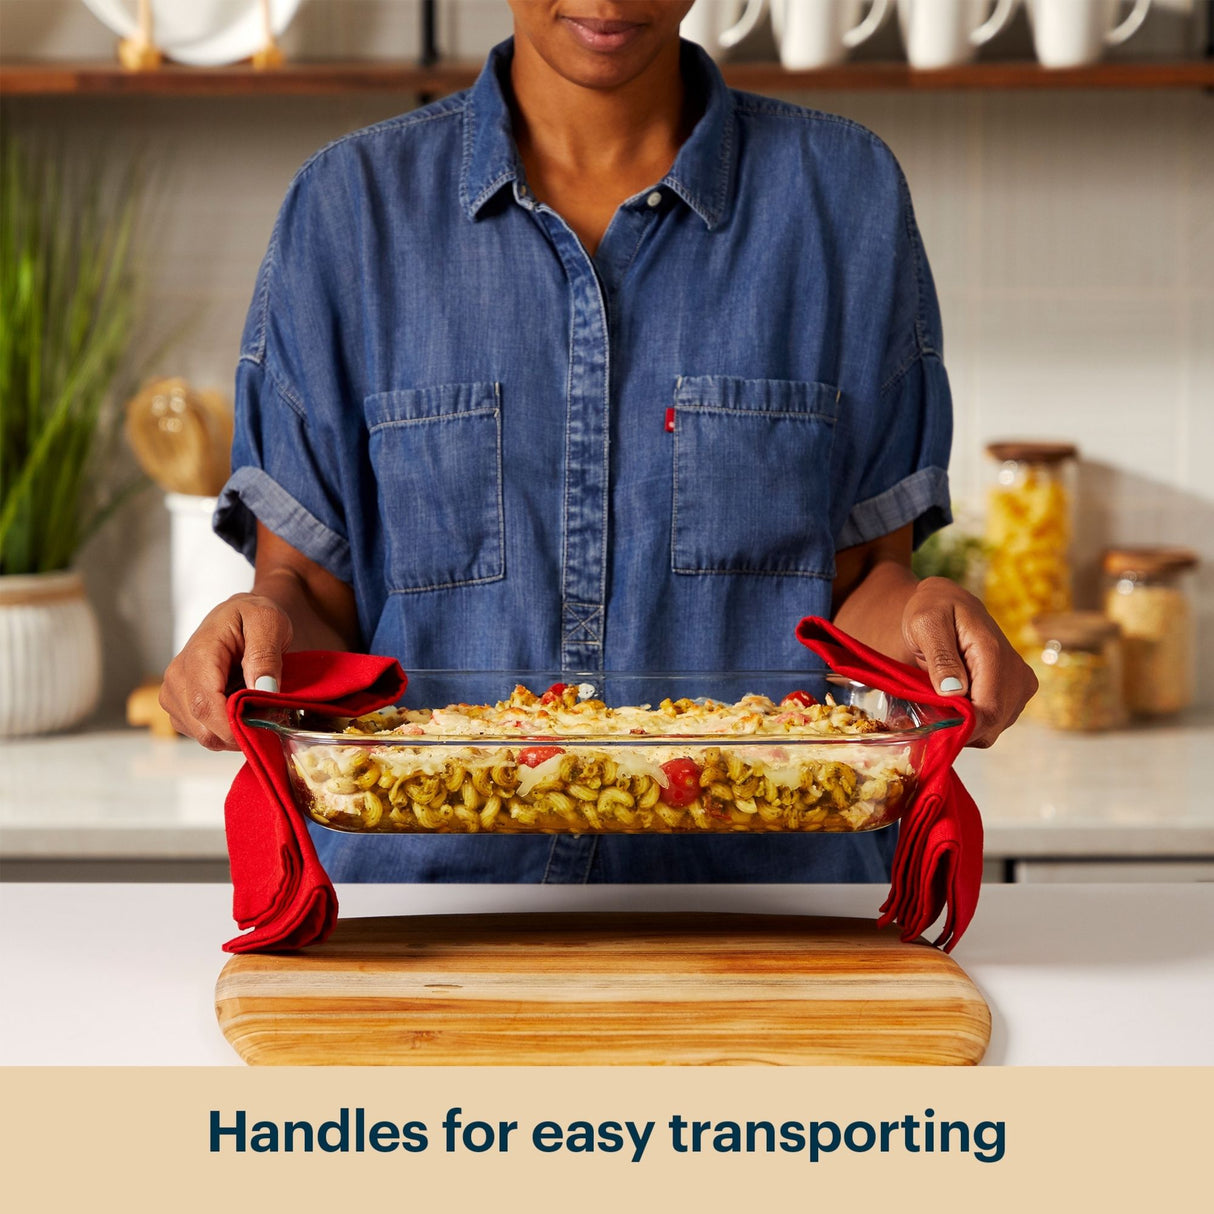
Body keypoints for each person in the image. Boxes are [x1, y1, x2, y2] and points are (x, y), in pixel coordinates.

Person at [161, 1, 1036, 884]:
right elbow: (309, 598)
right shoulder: (349, 208)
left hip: (767, 905)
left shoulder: (843, 195)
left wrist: (927, 620)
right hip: (427, 908)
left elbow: (864, 589)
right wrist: (258, 633)